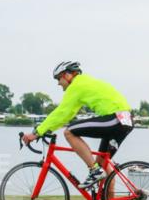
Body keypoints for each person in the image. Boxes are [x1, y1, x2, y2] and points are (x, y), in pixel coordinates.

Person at [21, 61, 133, 190]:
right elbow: (66, 114)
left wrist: (37, 132)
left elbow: (62, 113)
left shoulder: (77, 85)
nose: (58, 83)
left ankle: (94, 171)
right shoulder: (86, 83)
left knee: (69, 132)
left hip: (115, 118)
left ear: (67, 75)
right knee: (103, 164)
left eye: (58, 78)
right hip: (125, 120)